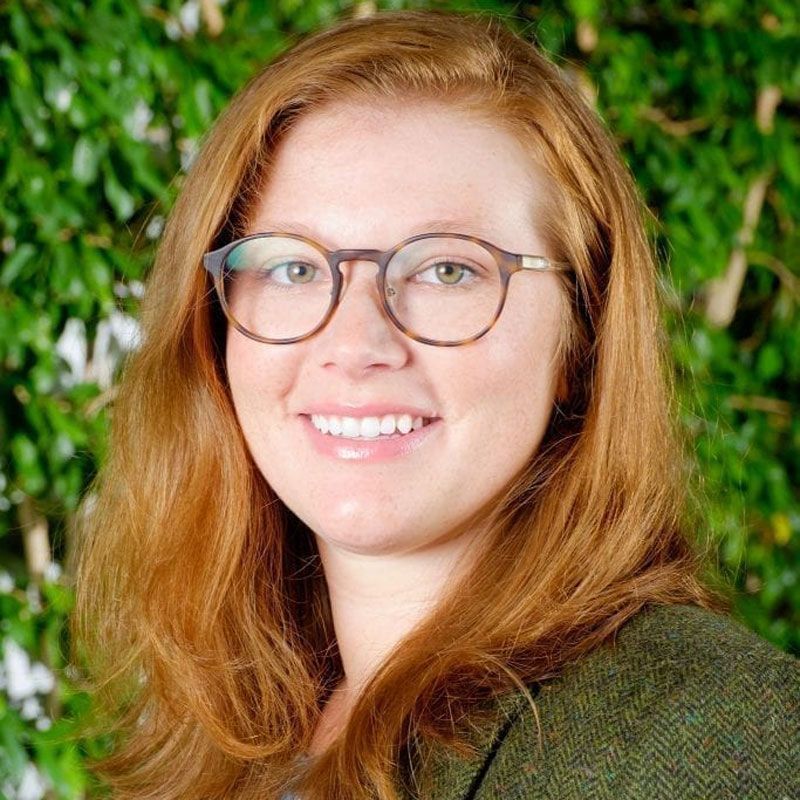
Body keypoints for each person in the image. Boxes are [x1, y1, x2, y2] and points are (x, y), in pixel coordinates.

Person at [68, 8, 798, 800]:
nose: (355, 344)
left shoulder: (727, 736)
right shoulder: (239, 729)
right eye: (291, 269)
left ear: (579, 336)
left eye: (448, 270)